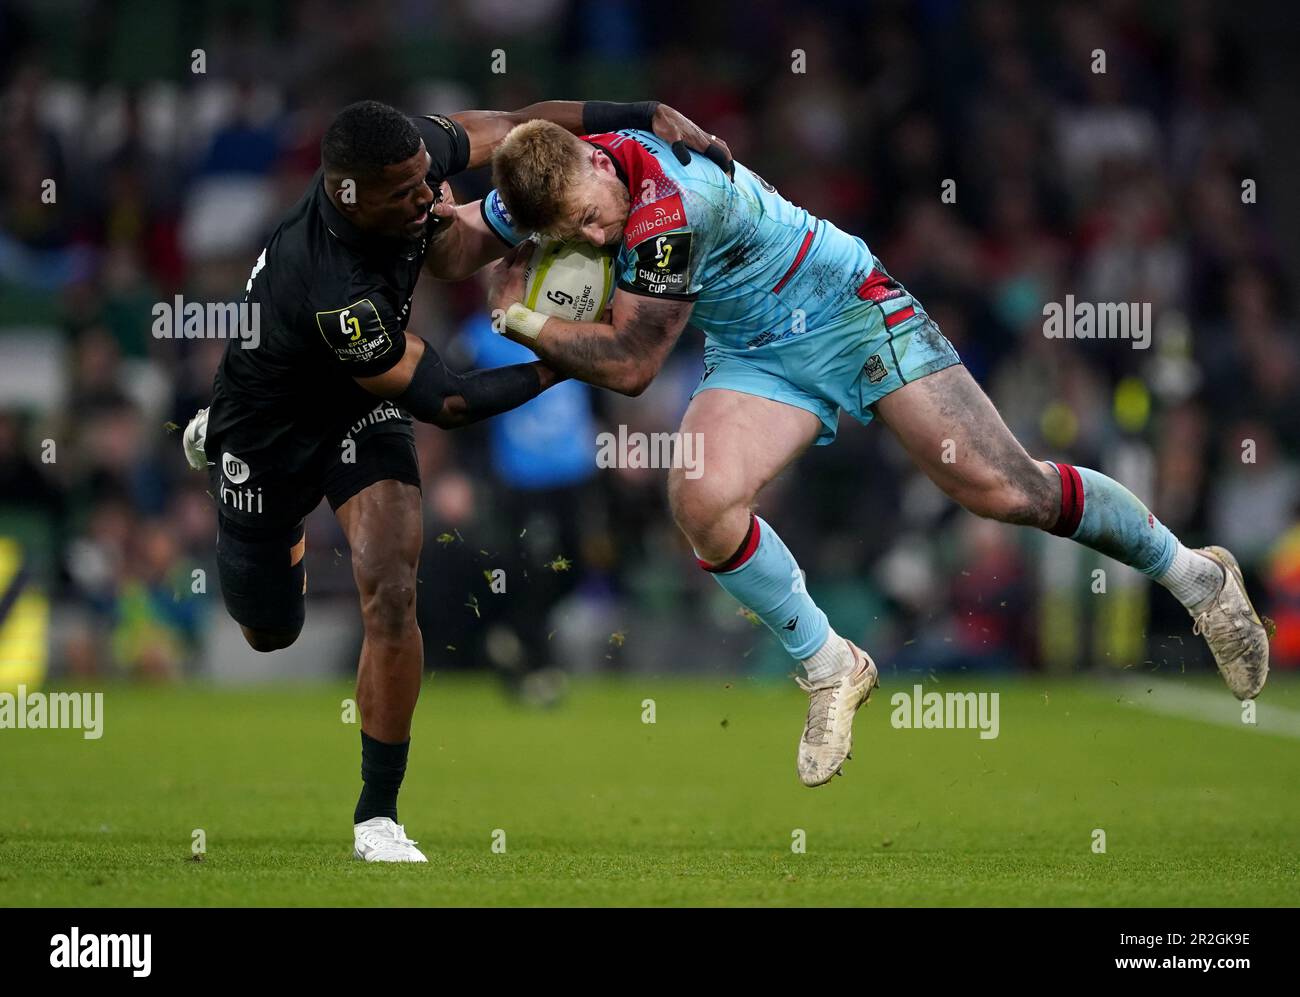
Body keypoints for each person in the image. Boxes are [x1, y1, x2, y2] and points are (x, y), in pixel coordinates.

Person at [474, 121, 1270, 788]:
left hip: (850, 309)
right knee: (701, 499)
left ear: (591, 162)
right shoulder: (563, 177)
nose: (591, 237)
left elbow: (634, 363)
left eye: (589, 216)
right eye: (571, 232)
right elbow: (474, 225)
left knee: (1006, 489)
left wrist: (524, 322)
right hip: (758, 353)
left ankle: (1196, 575)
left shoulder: (670, 200)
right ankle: (829, 664)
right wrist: (426, 207)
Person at [180, 100, 727, 860]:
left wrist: (642, 114)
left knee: (393, 586)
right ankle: (234, 470)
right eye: (404, 193)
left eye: (424, 179)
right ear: (349, 197)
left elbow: (511, 126)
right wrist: (559, 357)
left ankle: (378, 812)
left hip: (365, 406)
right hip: (269, 427)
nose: (427, 198)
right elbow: (449, 399)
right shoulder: (338, 289)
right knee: (270, 630)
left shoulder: (411, 161)